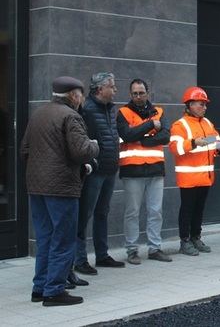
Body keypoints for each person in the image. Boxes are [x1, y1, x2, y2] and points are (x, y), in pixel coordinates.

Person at [21, 76, 99, 306]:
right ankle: (54, 291)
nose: (82, 99)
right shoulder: (70, 116)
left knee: (45, 238)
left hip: (37, 186)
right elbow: (82, 151)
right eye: (81, 94)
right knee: (63, 240)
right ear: (74, 95)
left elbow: (25, 150)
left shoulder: (38, 114)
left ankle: (40, 288)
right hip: (62, 188)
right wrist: (95, 145)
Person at [74, 72, 125, 275]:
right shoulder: (86, 109)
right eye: (111, 87)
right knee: (84, 214)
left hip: (110, 168)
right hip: (94, 171)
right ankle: (79, 259)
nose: (114, 90)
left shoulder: (111, 110)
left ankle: (102, 255)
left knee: (102, 213)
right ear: (99, 89)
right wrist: (91, 163)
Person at [117, 79, 172, 264]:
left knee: (155, 211)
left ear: (148, 93)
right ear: (130, 94)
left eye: (141, 92)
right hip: (132, 170)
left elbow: (166, 136)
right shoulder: (123, 113)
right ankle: (132, 250)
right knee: (132, 212)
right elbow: (127, 135)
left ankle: (154, 248)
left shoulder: (160, 111)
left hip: (155, 169)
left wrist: (145, 141)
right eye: (135, 93)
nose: (138, 96)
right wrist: (149, 126)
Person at [169, 86, 220, 256]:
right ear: (190, 105)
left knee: (199, 209)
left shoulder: (207, 123)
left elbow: (215, 141)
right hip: (189, 178)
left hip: (205, 176)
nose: (204, 107)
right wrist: (193, 143)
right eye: (200, 104)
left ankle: (196, 237)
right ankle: (185, 241)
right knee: (187, 210)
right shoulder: (180, 125)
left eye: (205, 105)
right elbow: (175, 148)